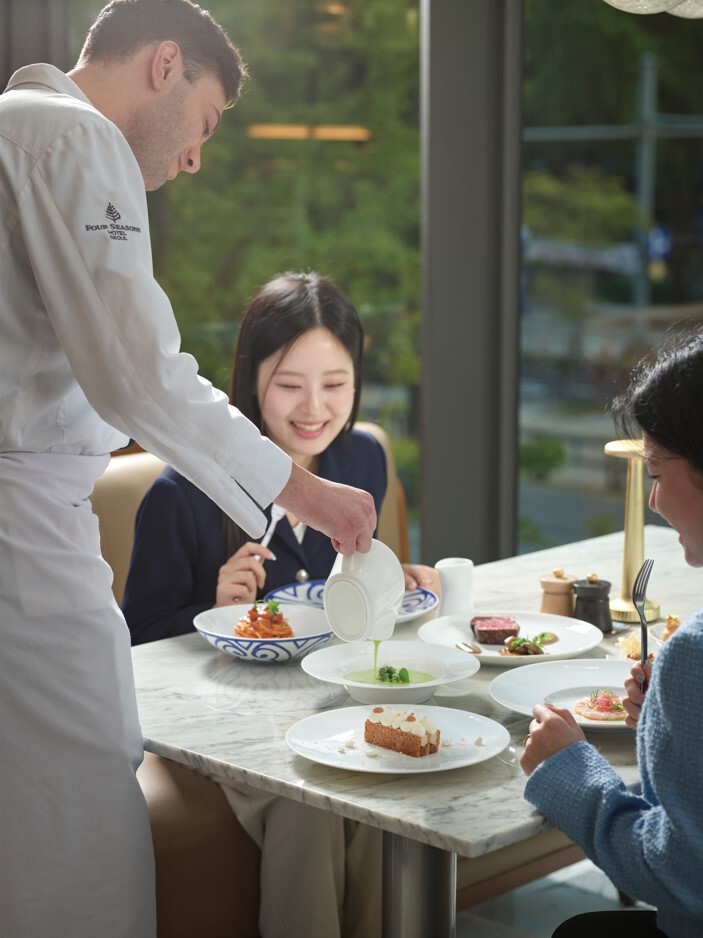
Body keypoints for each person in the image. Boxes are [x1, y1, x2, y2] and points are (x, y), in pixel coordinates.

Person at [0, 4, 375, 937]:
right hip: (20, 526)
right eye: (204, 122)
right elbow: (140, 374)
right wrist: (305, 490)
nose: (196, 157)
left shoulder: (19, 132)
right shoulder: (73, 139)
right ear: (165, 63)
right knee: (79, 810)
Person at [123, 270, 438, 644]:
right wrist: (215, 612)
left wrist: (388, 581)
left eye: (334, 384)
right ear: (251, 380)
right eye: (289, 385)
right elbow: (137, 637)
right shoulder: (181, 494)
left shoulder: (364, 458)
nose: (313, 407)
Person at [520, 328, 703, 938]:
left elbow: (679, 873)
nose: (653, 500)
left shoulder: (693, 653)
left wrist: (570, 768)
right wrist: (665, 723)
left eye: (657, 471)